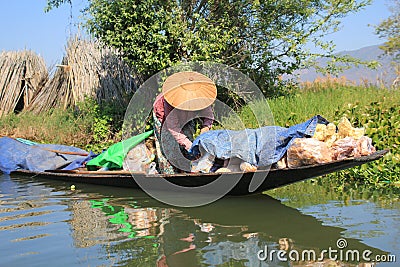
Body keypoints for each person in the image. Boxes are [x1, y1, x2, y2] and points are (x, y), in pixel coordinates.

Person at [152, 71, 217, 174]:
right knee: (169, 149)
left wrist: (204, 132)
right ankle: (170, 175)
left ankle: (188, 171)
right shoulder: (170, 100)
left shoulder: (201, 97)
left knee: (191, 148)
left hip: (187, 117)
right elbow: (173, 128)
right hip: (165, 117)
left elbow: (208, 117)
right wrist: (189, 146)